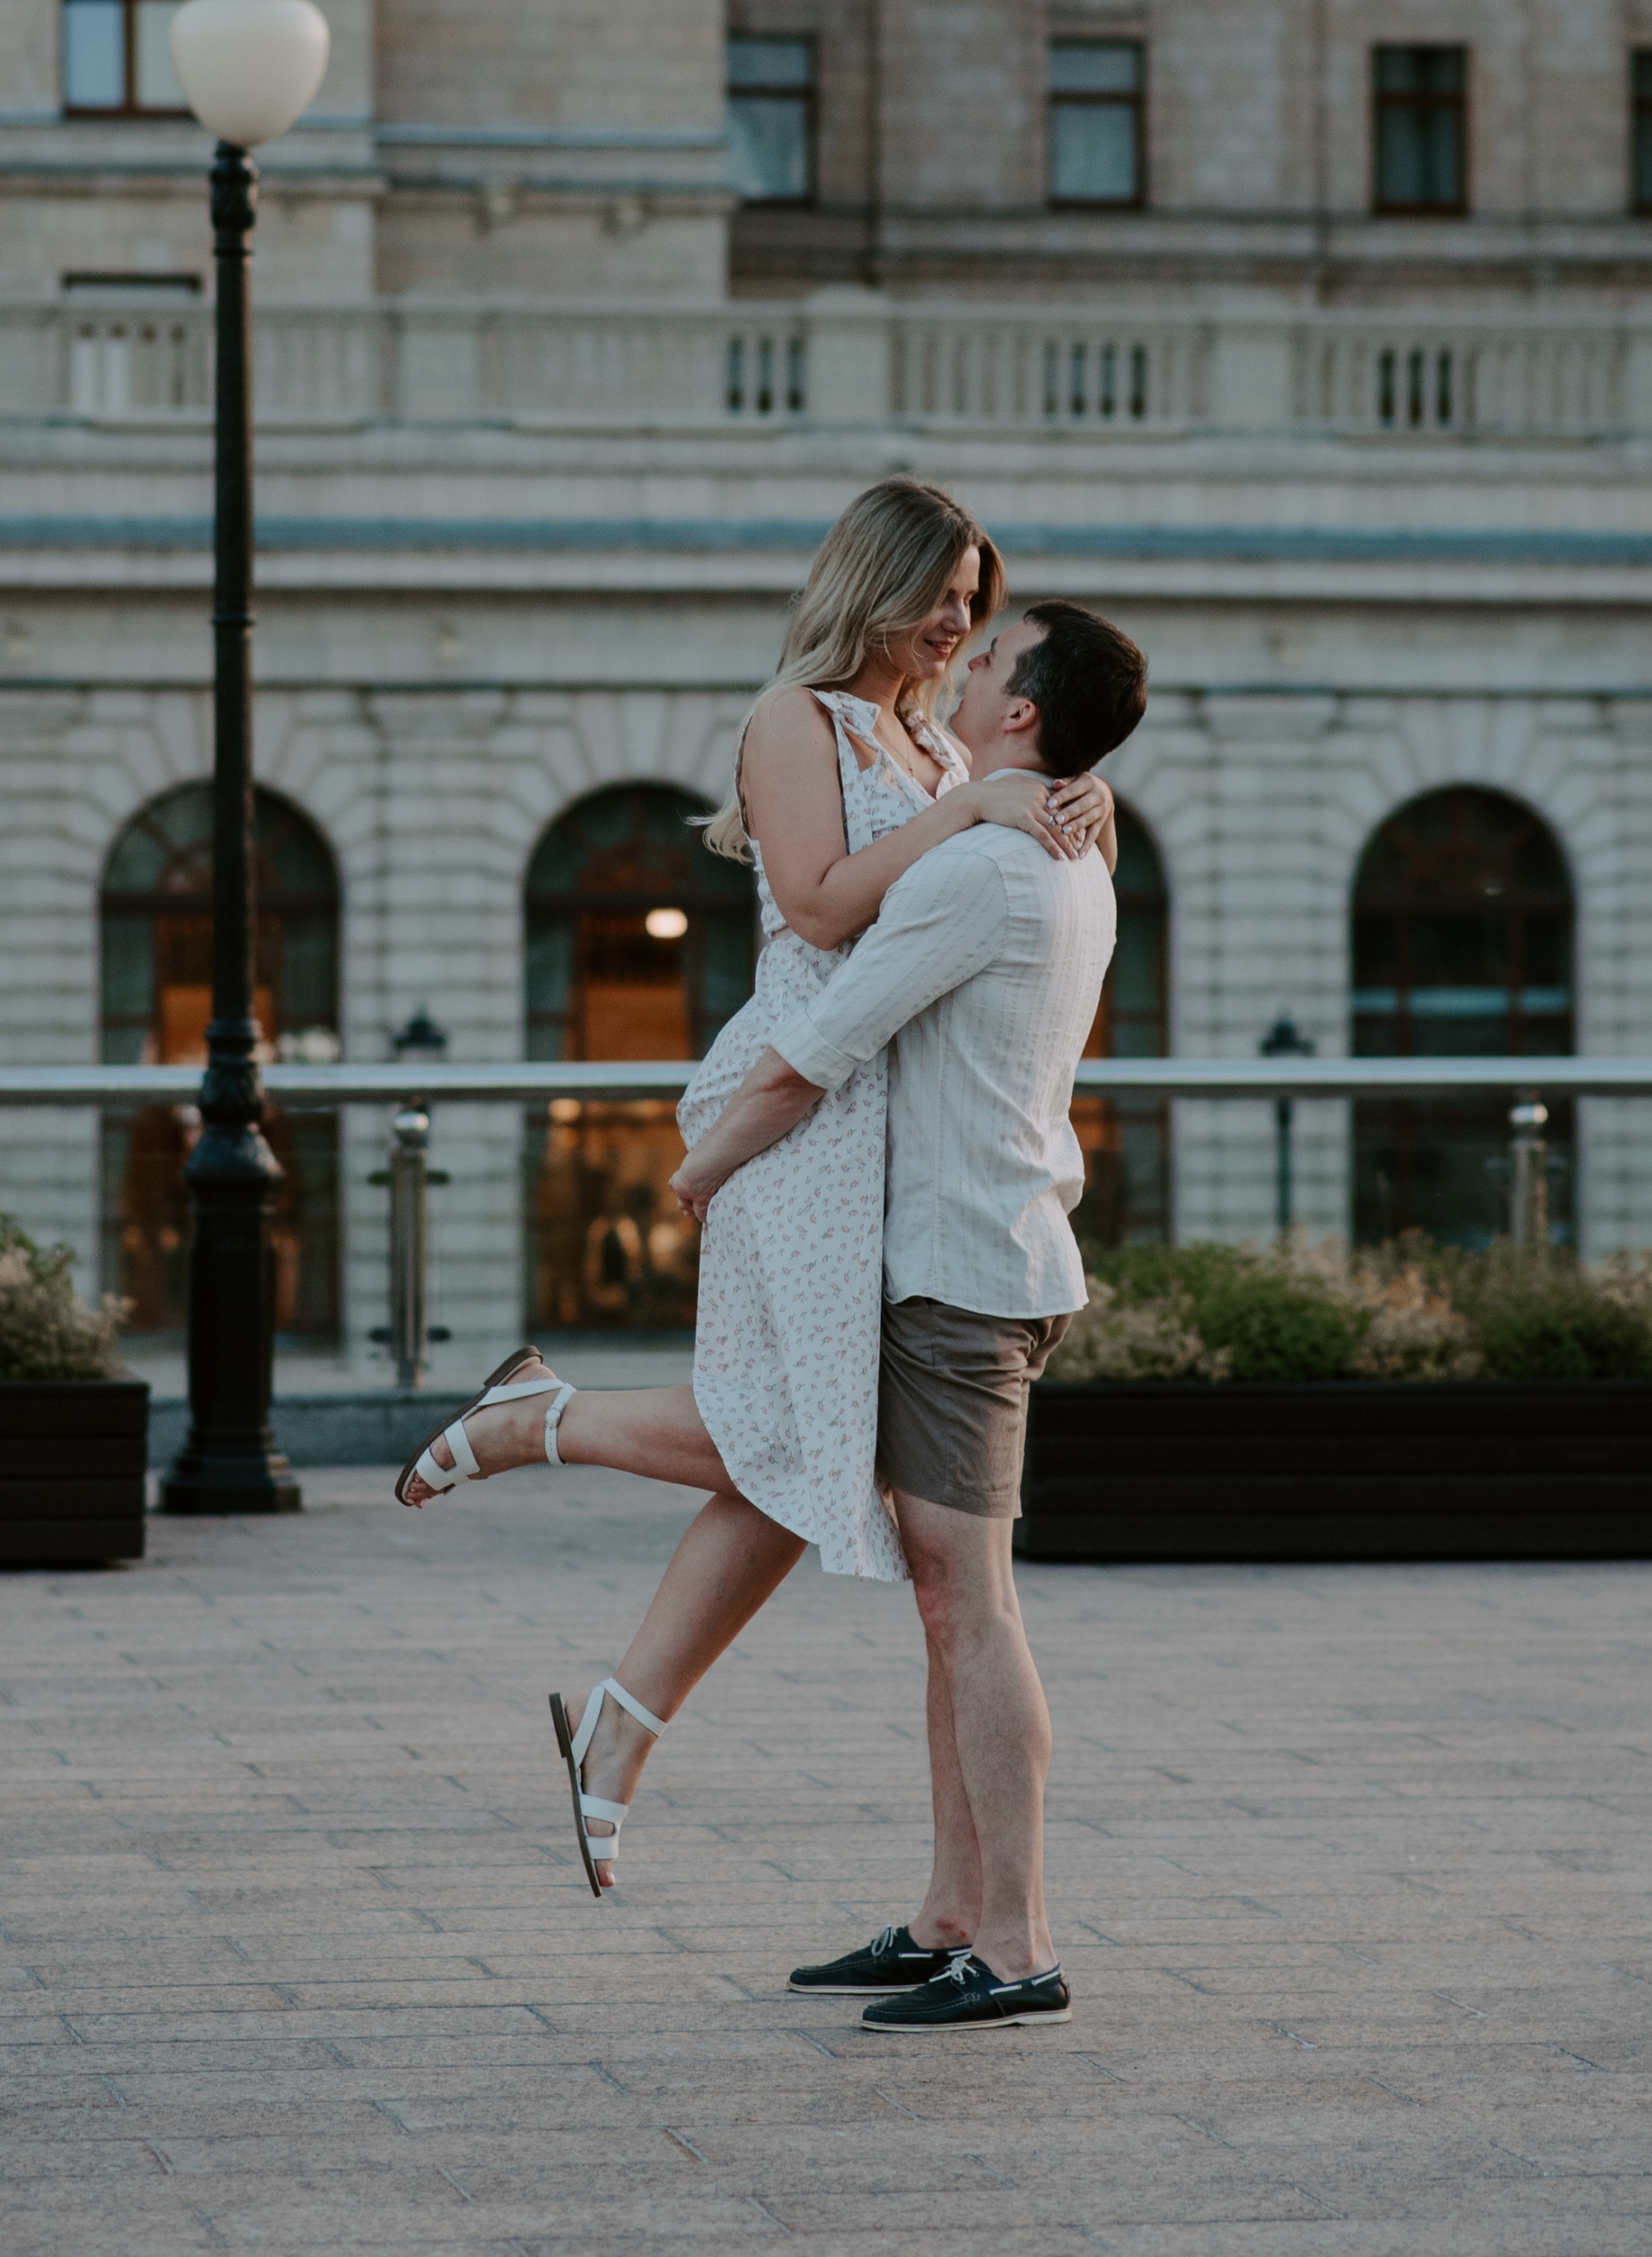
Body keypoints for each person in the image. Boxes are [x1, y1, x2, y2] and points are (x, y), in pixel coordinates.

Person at [390, 478, 1117, 1900]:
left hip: (879, 1124)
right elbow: (827, 902)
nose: (961, 619)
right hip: (801, 1095)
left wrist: (1065, 791)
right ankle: (542, 1431)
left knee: (808, 1446)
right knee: (805, 1438)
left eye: (977, 597)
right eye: (944, 591)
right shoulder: (796, 721)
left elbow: (992, 854)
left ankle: (613, 1708)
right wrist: (990, 805)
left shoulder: (930, 737)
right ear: (875, 582)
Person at [671, 597, 1149, 2032]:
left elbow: (815, 1046)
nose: (960, 662)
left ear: (1021, 716)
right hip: (988, 1257)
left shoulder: (989, 872)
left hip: (955, 1274)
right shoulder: (1064, 853)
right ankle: (954, 1910)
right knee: (954, 1610)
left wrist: (696, 1168)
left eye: (990, 658)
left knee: (972, 1606)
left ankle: (1015, 1941)